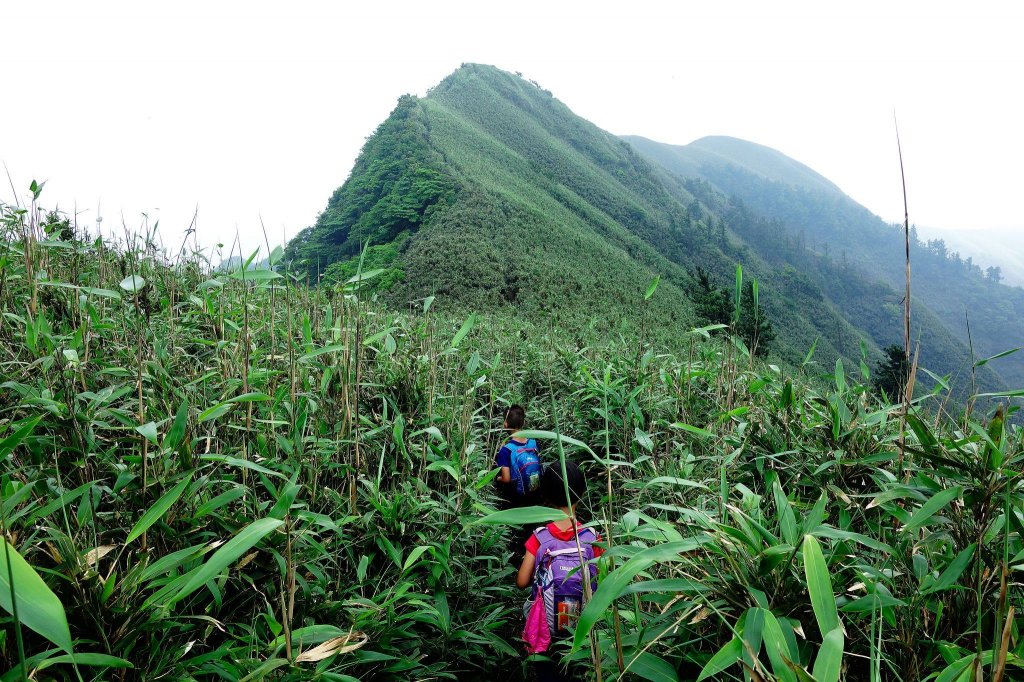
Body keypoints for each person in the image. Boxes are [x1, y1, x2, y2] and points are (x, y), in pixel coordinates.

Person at [517, 461, 603, 682]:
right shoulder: (592, 538)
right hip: (582, 630)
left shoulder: (540, 537)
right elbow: (601, 582)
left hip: (546, 632)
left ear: (545, 494)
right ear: (581, 493)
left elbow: (522, 581)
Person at [495, 405, 543, 564]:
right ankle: (533, 552)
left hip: (517, 496)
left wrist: (496, 479)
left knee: (517, 527)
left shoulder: (506, 450)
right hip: (535, 492)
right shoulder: (533, 442)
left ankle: (517, 556)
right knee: (532, 526)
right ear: (523, 423)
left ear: (505, 424)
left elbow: (507, 478)